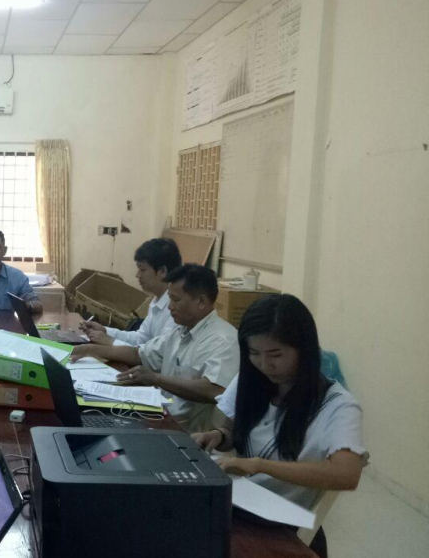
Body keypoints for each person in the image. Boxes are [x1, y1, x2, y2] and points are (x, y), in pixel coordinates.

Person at [191, 295, 366, 555]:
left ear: (304, 349)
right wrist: (219, 436)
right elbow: (235, 433)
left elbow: (346, 475)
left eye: (276, 354)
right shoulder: (254, 380)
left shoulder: (338, 406)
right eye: (254, 353)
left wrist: (260, 465)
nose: (264, 364)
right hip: (239, 508)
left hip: (282, 529)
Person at [71, 264, 238, 433]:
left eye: (176, 300)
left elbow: (214, 390)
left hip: (186, 432)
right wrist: (91, 350)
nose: (170, 306)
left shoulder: (222, 340)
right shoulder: (180, 329)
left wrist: (156, 379)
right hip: (160, 415)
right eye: (170, 299)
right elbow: (139, 354)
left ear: (201, 301)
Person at [80, 238, 181, 347]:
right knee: (78, 349)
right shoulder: (158, 300)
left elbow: (155, 354)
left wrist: (111, 342)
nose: (138, 275)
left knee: (82, 351)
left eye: (142, 269)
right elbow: (141, 338)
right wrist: (105, 331)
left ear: (162, 271)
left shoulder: (176, 309)